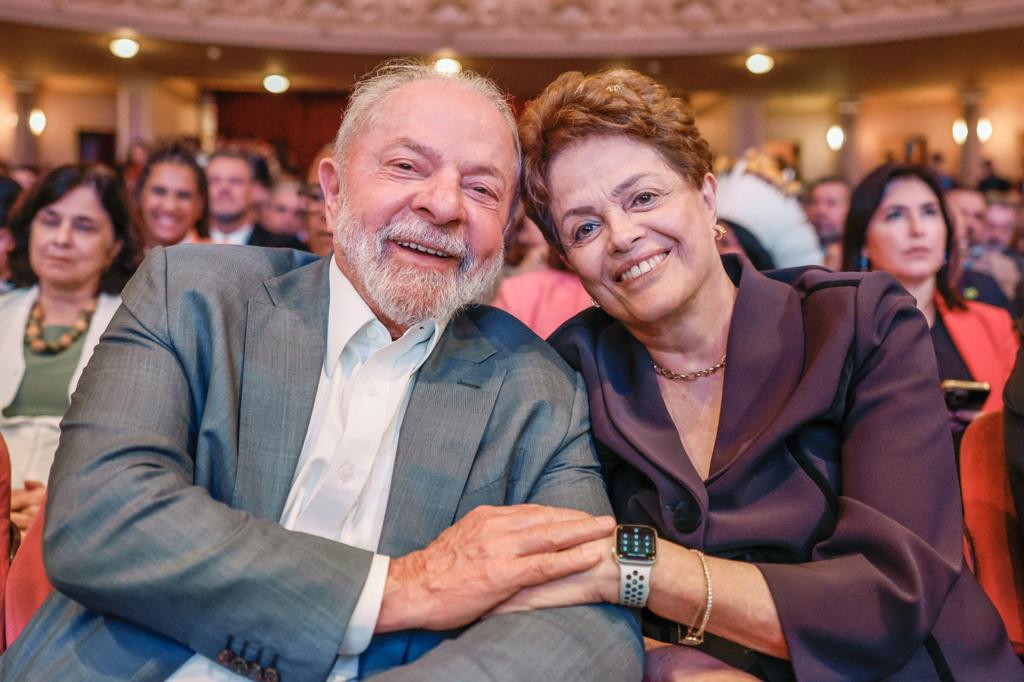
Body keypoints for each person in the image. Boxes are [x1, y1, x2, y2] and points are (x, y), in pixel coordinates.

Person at [0, 62, 642, 681]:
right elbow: (102, 519)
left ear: (505, 228)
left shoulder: (535, 387)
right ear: (333, 193)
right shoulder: (193, 298)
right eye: (406, 166)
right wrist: (402, 588)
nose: (444, 204)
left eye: (482, 188)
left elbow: (587, 625)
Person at [505, 68, 1021, 680]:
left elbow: (888, 598)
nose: (622, 235)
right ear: (567, 261)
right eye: (585, 227)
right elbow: (560, 603)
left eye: (643, 198)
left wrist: (637, 568)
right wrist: (668, 663)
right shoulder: (568, 370)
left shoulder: (858, 323)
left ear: (705, 195)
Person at [0, 164, 140, 532]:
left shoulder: (138, 328)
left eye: (84, 227)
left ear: (115, 246)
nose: (61, 238)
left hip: (83, 522)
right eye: (49, 220)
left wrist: (58, 505)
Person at [842, 165, 1019, 419]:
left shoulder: (993, 324)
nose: (917, 229)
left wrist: (984, 431)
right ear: (863, 243)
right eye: (895, 215)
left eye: (929, 212)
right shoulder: (839, 330)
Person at [205, 149, 303, 248]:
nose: (224, 188)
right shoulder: (189, 243)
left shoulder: (282, 249)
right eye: (214, 181)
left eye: (235, 181)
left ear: (255, 190)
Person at [134, 141, 209, 249]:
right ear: (139, 195)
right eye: (159, 192)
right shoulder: (118, 259)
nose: (170, 206)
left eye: (183, 195)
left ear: (200, 204)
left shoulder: (222, 262)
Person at [803, 176, 850, 270]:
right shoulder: (797, 253)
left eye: (831, 203)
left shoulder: (865, 254)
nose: (820, 211)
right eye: (814, 203)